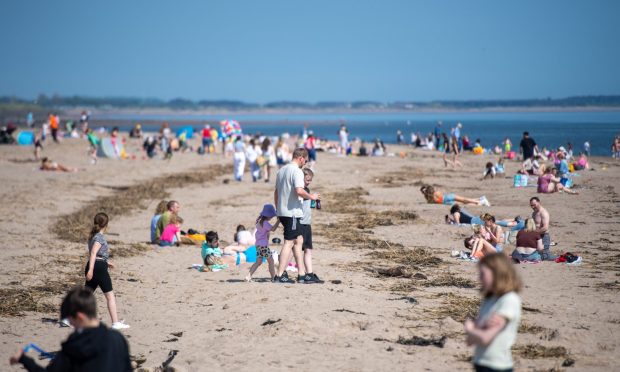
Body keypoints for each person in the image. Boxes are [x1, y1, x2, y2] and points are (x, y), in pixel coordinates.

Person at [9, 286, 132, 371]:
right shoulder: (118, 339)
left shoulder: (74, 347)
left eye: (70, 320)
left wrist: (24, 360)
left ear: (80, 317)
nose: (71, 326)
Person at [465, 253, 522, 372]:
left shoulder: (509, 299)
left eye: (483, 274)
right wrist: (477, 330)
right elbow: (470, 341)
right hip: (480, 362)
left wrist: (471, 328)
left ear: (497, 274)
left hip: (497, 366)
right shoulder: (489, 299)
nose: (479, 278)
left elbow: (485, 338)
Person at [273, 148, 320, 283]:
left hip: (283, 211)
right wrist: (312, 196)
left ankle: (301, 274)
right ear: (300, 158)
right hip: (292, 213)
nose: (305, 163)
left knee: (298, 241)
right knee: (289, 242)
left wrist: (278, 209)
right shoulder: (297, 171)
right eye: (305, 160)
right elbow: (299, 190)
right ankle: (280, 274)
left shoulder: (281, 170)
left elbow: (276, 193)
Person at [84, 213, 130, 330]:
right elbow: (93, 253)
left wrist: (106, 262)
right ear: (106, 224)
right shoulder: (99, 237)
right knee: (110, 296)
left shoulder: (93, 236)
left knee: (85, 296)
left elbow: (96, 254)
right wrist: (91, 270)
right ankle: (115, 323)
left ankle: (68, 318)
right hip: (97, 268)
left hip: (96, 265)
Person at [299, 168, 323, 284]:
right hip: (300, 223)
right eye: (307, 180)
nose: (308, 182)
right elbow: (301, 197)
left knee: (308, 249)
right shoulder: (300, 190)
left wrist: (314, 200)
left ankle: (309, 273)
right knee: (296, 249)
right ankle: (283, 271)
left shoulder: (306, 190)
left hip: (307, 223)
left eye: (310, 180)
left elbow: (309, 205)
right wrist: (311, 196)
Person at [245, 204, 280, 282]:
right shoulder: (265, 223)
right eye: (271, 216)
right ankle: (273, 277)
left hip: (258, 245)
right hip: (264, 246)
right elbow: (273, 229)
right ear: (268, 215)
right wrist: (279, 221)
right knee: (271, 261)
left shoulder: (258, 220)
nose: (272, 217)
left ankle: (248, 276)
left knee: (258, 262)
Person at [420, 184, 490, 206]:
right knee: (464, 199)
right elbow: (441, 195)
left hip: (446, 202)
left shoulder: (430, 199)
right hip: (448, 197)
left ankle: (480, 202)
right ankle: (480, 199)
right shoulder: (436, 192)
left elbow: (433, 202)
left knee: (463, 203)